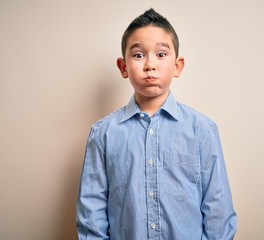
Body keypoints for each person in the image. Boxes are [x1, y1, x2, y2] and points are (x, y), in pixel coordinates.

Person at [76, 8, 237, 240]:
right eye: (139, 55)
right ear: (123, 67)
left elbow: (218, 212)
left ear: (177, 65)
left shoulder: (202, 131)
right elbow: (91, 214)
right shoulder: (103, 134)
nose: (150, 65)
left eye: (161, 54)